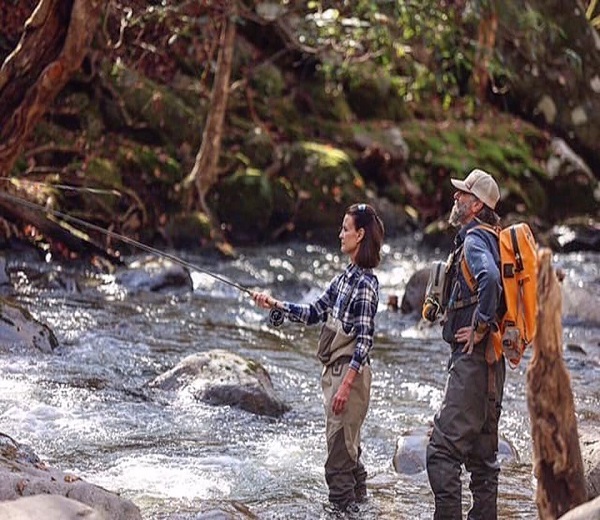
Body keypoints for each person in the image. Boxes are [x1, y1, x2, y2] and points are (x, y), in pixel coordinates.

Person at [252, 203, 385, 512]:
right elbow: (313, 313)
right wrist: (275, 305)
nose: (340, 235)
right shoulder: (344, 279)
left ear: (360, 234)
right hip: (335, 374)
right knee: (349, 456)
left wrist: (345, 386)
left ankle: (344, 511)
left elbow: (364, 341)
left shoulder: (365, 284)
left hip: (348, 378)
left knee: (338, 464)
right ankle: (363, 510)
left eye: (345, 229)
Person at [425, 168, 506, 519]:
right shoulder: (495, 238)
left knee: (441, 453)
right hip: (493, 365)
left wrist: (479, 328)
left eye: (462, 195)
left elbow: (488, 279)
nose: (455, 199)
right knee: (483, 462)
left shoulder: (474, 241)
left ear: (475, 206)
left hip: (472, 361)